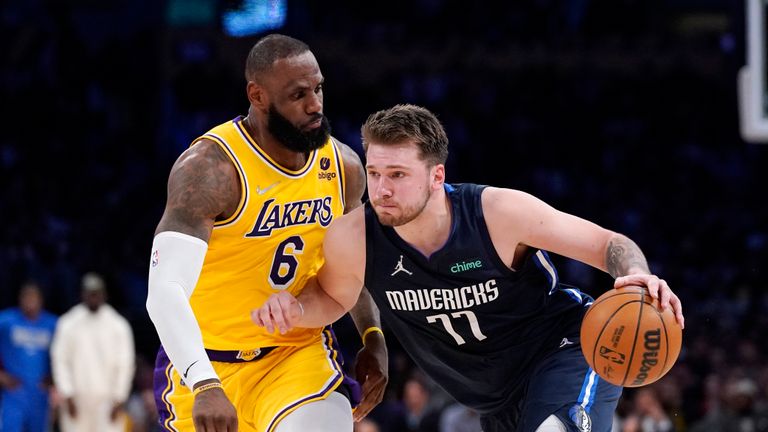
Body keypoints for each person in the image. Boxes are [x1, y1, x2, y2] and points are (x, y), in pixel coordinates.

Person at [252, 104, 686, 432]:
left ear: (437, 176)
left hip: (564, 351)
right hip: (493, 400)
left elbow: (610, 244)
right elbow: (332, 298)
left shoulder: (497, 212)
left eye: (398, 175)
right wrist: (294, 310)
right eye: (375, 173)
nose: (381, 189)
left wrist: (637, 274)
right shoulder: (354, 238)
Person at [146, 33, 388, 432]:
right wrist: (205, 382)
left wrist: (373, 337)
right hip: (204, 364)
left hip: (294, 354)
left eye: (318, 88)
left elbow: (351, 268)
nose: (315, 105)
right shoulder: (211, 169)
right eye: (297, 95)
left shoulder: (343, 167)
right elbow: (164, 291)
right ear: (257, 96)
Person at [51, 272, 136, 432]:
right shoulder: (68, 323)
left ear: (104, 295)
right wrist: (67, 394)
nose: (93, 297)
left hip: (108, 400)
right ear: (82, 294)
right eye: (90, 294)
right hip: (76, 399)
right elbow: (60, 360)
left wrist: (120, 397)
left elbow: (125, 363)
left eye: (97, 294)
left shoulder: (118, 325)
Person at [0, 281, 58, 432]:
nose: (30, 302)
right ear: (20, 299)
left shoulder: (53, 324)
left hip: (40, 394)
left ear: (41, 300)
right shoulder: (6, 321)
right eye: (26, 297)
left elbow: (65, 354)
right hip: (14, 393)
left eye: (34, 297)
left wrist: (54, 377)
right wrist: (1, 376)